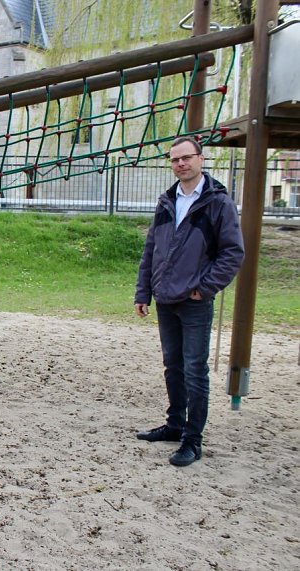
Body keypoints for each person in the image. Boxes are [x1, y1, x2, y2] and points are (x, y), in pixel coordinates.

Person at [134, 136, 244, 466]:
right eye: (175, 160)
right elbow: (151, 250)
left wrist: (204, 287)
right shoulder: (168, 201)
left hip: (194, 300)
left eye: (187, 158)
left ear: (201, 159)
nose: (181, 164)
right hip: (166, 296)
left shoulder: (217, 202)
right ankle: (174, 424)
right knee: (174, 366)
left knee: (196, 369)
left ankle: (192, 439)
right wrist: (144, 292)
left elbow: (232, 252)